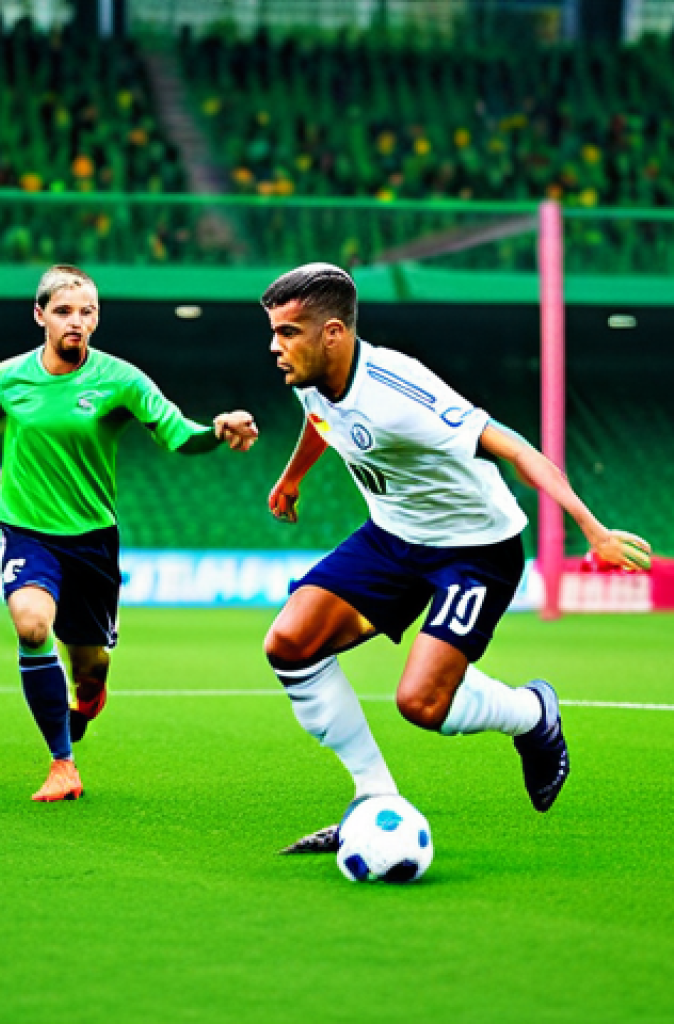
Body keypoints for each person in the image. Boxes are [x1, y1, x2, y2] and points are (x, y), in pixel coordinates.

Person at [261, 263, 652, 854]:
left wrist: (590, 527)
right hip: (392, 538)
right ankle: (374, 799)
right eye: (274, 331)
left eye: (288, 332)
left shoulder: (401, 391)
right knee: (289, 642)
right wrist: (293, 477)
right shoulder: (310, 376)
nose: (275, 346)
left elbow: (516, 448)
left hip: (475, 550)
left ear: (333, 334)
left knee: (421, 703)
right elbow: (322, 419)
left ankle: (532, 713)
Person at [0, 264, 259, 802]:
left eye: (87, 311)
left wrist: (216, 429)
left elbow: (177, 434)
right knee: (31, 626)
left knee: (89, 668)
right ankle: (62, 763)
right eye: (64, 311)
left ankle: (89, 696)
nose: (76, 321)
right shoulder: (6, 379)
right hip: (27, 532)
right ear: (40, 315)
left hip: (92, 541)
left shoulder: (121, 379)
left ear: (97, 318)